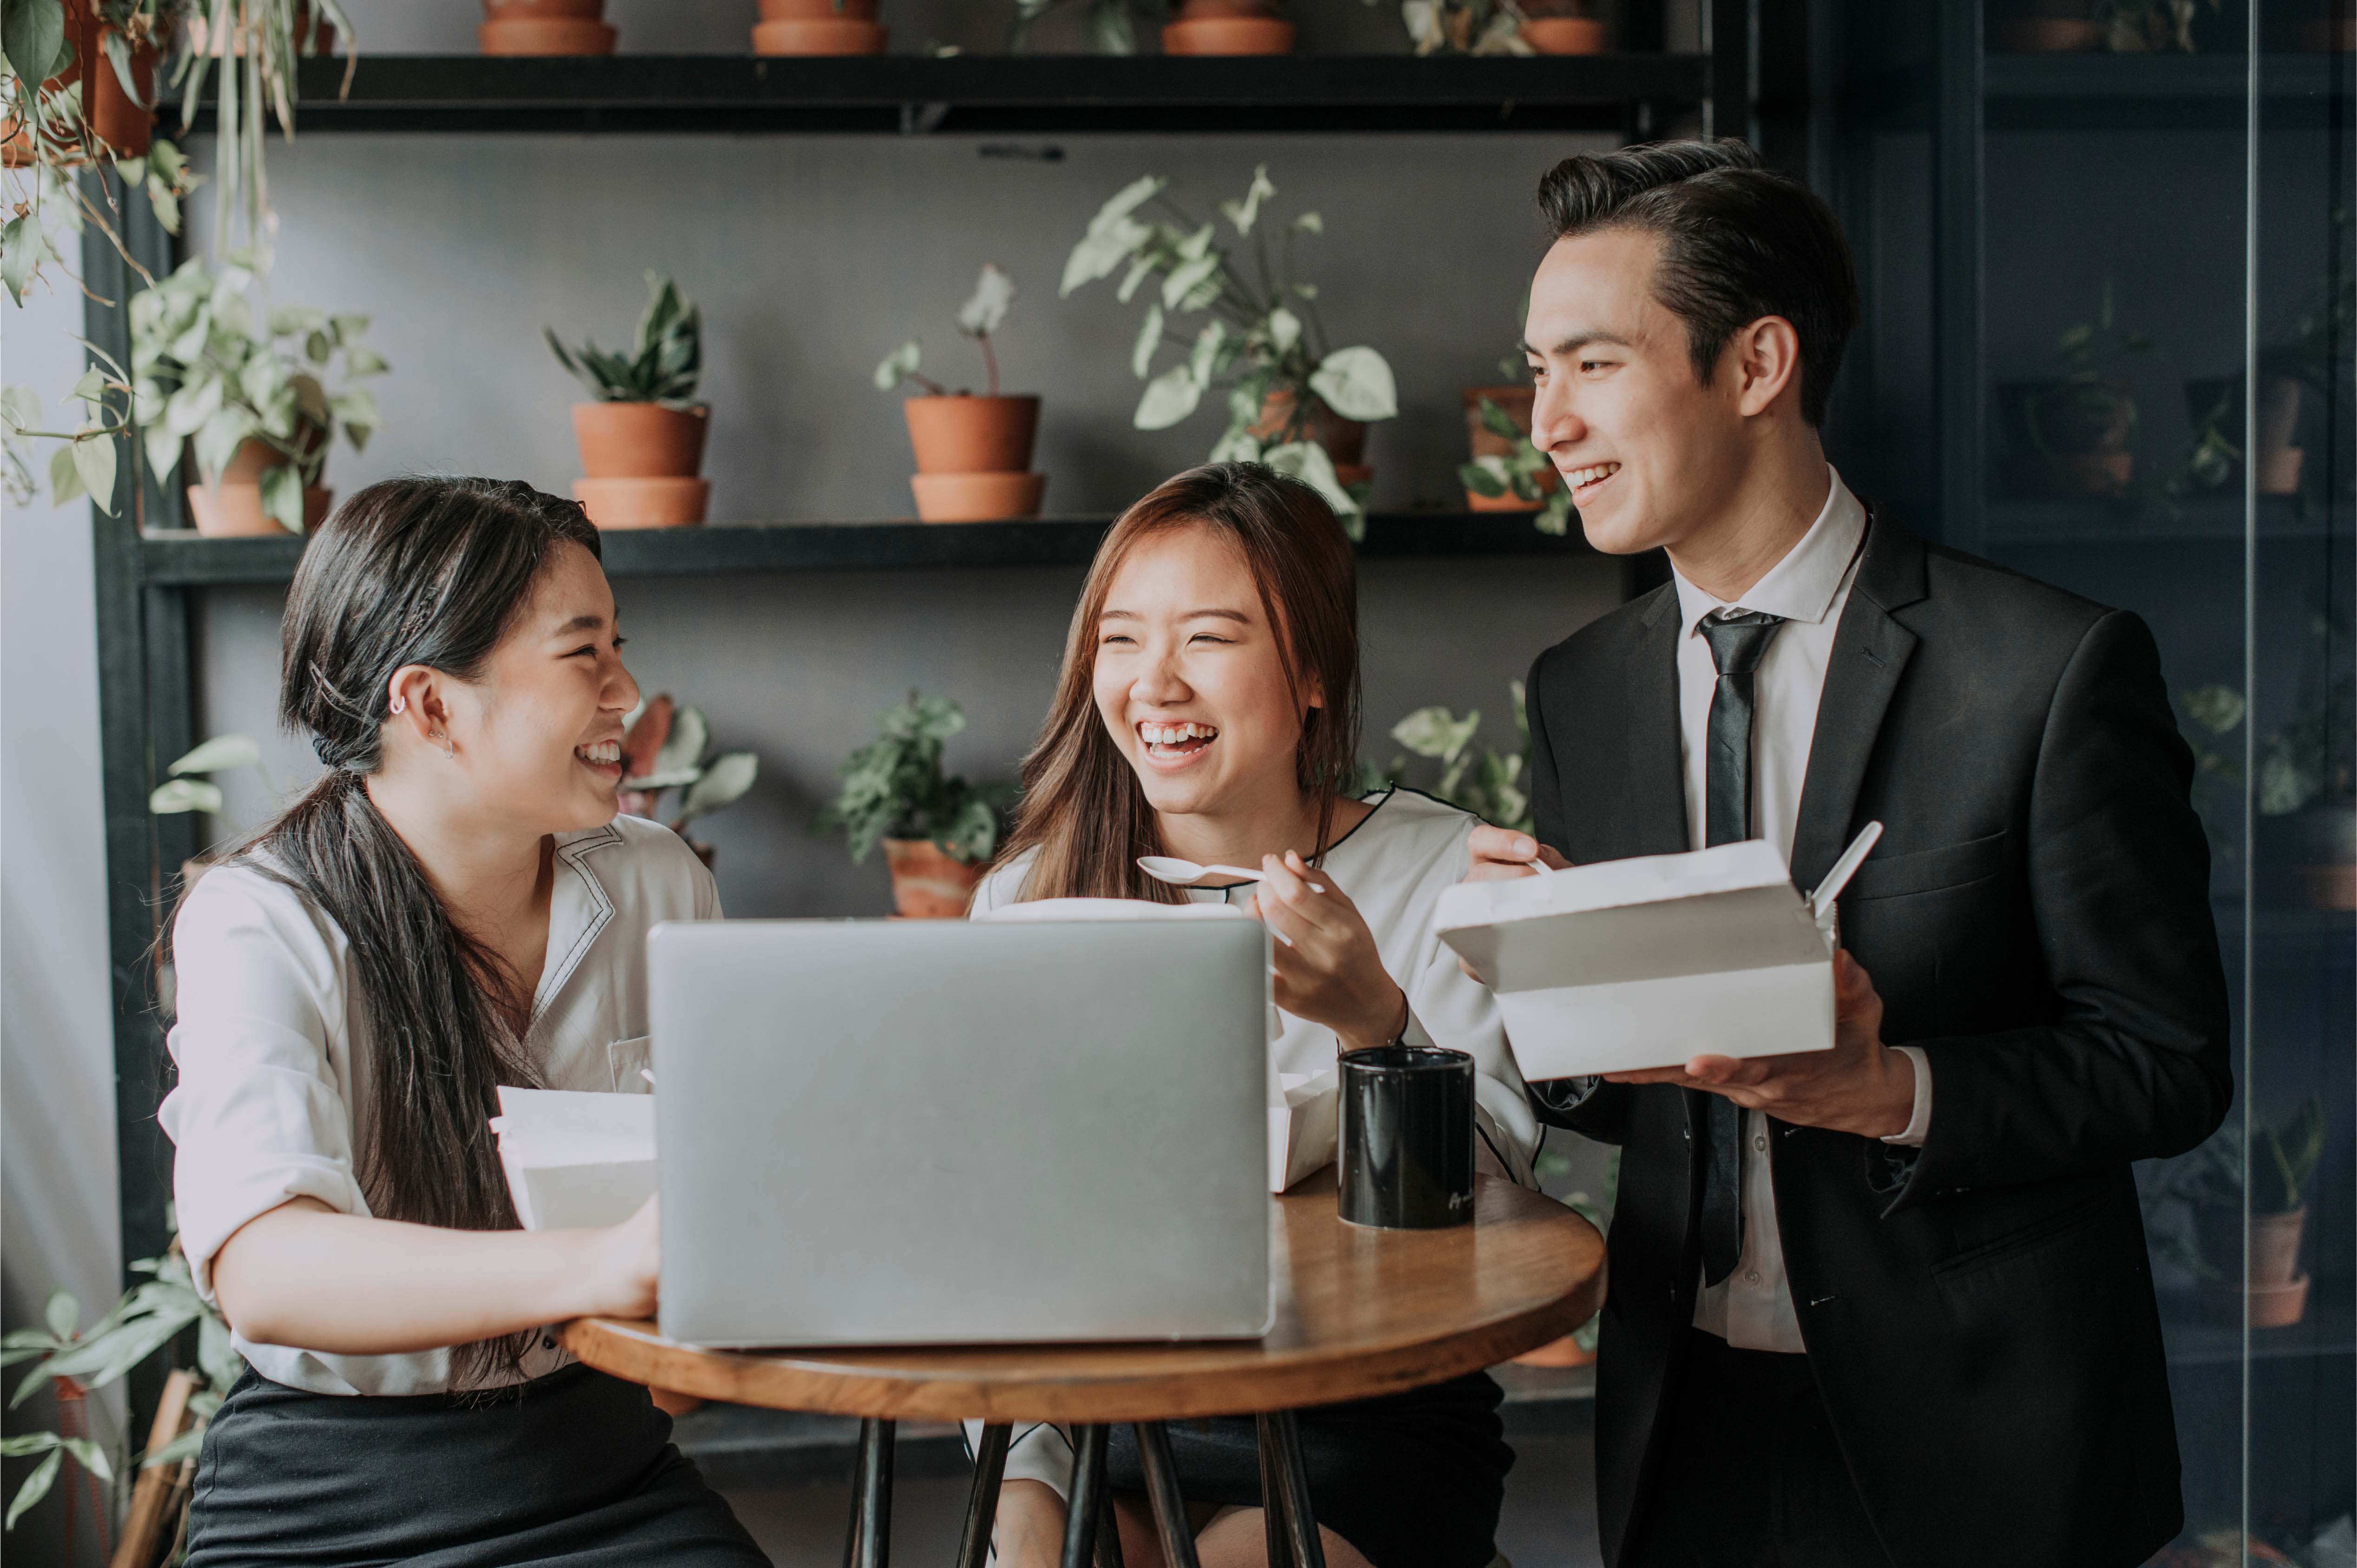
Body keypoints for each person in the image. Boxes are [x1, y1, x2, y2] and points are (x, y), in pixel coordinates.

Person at [1466, 140, 2232, 1568]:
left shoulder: (2049, 670)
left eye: (1589, 365)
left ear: (1756, 365)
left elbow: (2168, 1062)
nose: (1546, 422)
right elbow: (1623, 1097)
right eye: (1535, 371)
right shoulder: (1581, 683)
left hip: (1983, 1437)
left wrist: (1893, 1090)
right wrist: (1549, 992)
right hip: (1678, 1422)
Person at [160, 477, 766, 1566]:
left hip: (598, 1466)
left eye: (617, 643)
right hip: (331, 1486)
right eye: (584, 652)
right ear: (431, 705)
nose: (627, 689)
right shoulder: (261, 916)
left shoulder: (660, 884)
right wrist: (599, 1267)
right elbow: (265, 1262)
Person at [970, 462, 1536, 1568]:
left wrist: (1376, 1022)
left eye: (1211, 639)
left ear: (1314, 670)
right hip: (1096, 1411)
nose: (1154, 683)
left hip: (1364, 1415)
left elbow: (1492, 1227)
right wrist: (1024, 1468)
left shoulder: (1446, 873)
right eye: (1122, 638)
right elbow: (997, 1220)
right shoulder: (1029, 897)